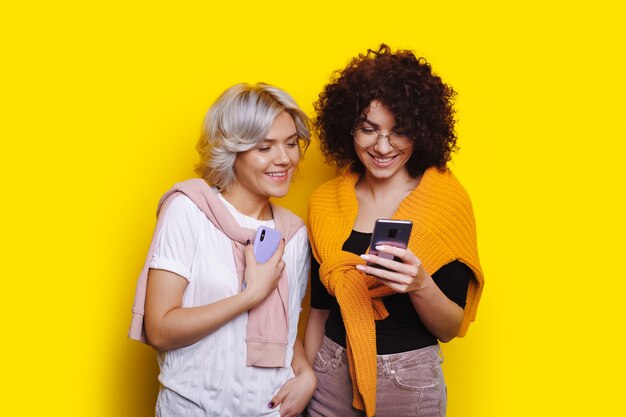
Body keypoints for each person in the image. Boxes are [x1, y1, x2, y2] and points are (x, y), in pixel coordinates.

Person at [304, 45, 485, 417]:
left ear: (420, 130)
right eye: (368, 130)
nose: (382, 147)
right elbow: (319, 314)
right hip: (329, 373)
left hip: (408, 380)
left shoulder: (445, 204)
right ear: (347, 130)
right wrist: (305, 378)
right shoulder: (324, 203)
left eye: (398, 131)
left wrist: (419, 284)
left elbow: (451, 328)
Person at [129, 83, 317, 417]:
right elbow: (159, 328)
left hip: (271, 411)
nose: (284, 158)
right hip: (191, 409)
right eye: (265, 147)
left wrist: (306, 375)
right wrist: (249, 296)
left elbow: (283, 334)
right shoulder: (188, 211)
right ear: (233, 150)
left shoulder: (294, 234)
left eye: (290, 144)